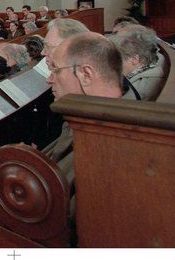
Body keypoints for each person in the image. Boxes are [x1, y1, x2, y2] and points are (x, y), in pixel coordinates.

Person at [44, 32, 124, 214]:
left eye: (55, 70)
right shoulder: (88, 120)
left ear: (86, 74)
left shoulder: (104, 144)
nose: (49, 79)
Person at [110, 26, 165, 101]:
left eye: (117, 59)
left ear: (135, 59)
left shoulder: (140, 87)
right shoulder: (151, 63)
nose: (113, 64)